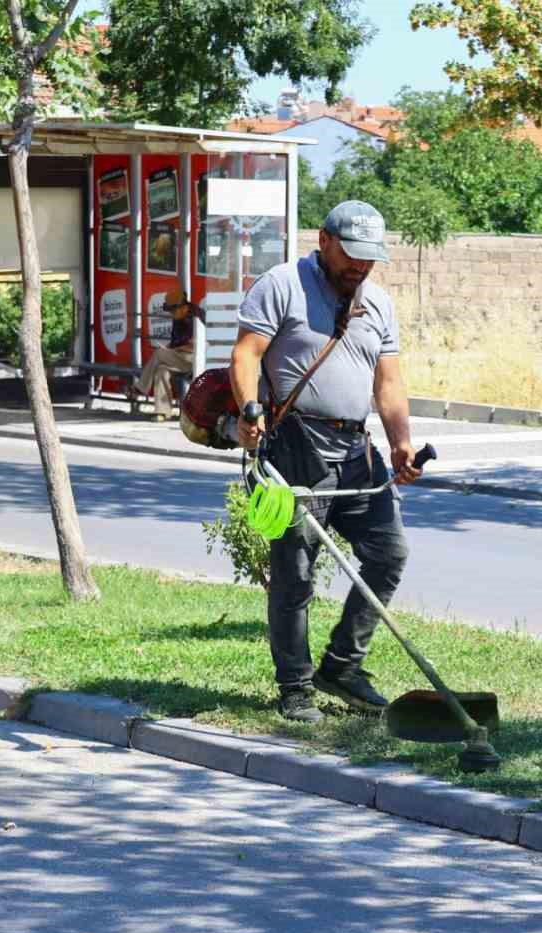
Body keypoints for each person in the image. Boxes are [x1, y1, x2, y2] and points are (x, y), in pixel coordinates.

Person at [230, 201, 418, 724]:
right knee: (295, 572)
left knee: (389, 553)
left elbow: (389, 383)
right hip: (295, 445)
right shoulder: (282, 284)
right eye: (352, 256)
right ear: (325, 240)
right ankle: (295, 687)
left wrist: (400, 442)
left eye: (369, 259)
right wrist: (249, 411)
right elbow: (245, 355)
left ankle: (342, 665)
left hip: (358, 450)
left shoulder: (377, 303)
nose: (359, 268)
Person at [138, 289, 205, 420]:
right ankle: (162, 412)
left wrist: (173, 350)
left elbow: (195, 346)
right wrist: (171, 348)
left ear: (183, 307)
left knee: (158, 354)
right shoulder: (179, 317)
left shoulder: (196, 317)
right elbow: (176, 342)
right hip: (181, 359)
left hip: (194, 360)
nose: (171, 314)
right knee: (161, 371)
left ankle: (140, 388)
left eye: (173, 311)